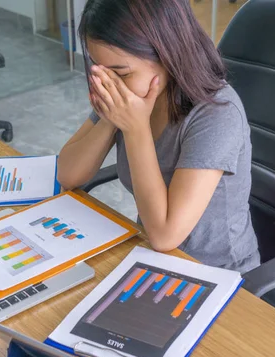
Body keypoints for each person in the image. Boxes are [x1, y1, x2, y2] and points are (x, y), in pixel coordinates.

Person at [57, 0, 259, 273]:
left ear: (167, 55)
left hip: (218, 273)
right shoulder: (129, 98)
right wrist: (109, 119)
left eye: (120, 73)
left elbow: (166, 235)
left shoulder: (217, 114)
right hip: (152, 256)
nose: (109, 85)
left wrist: (134, 128)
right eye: (99, 69)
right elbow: (68, 174)